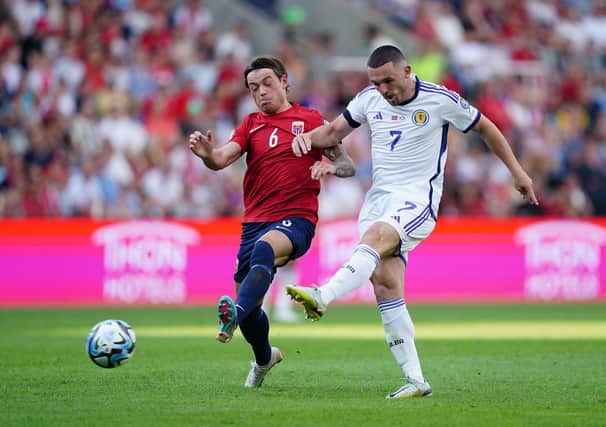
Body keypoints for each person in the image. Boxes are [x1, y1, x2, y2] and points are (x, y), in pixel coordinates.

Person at [286, 45, 539, 399]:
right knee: (385, 284)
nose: (383, 89)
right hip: (378, 201)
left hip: (417, 200)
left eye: (388, 80)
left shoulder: (439, 99)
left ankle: (322, 295)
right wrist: (304, 139)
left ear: (407, 72)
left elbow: (486, 128)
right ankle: (416, 379)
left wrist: (517, 172)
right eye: (376, 82)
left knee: (374, 239)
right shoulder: (368, 100)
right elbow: (332, 134)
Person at [188, 55, 356, 388]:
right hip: (253, 222)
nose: (261, 92)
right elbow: (221, 159)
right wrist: (208, 155)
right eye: (253, 88)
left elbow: (349, 165)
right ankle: (264, 358)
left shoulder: (310, 120)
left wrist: (331, 168)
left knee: (265, 252)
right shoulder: (250, 124)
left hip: (297, 219)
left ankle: (232, 314)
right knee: (252, 309)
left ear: (284, 81)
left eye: (267, 83)